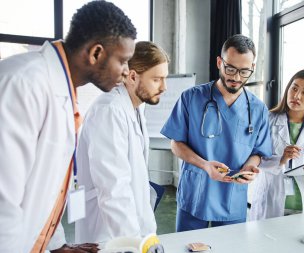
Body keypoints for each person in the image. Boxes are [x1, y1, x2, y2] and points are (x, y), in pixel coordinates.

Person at [0, 1, 137, 252]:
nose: (127, 72)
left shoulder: (63, 88)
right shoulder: (23, 84)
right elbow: (3, 201)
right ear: (96, 53)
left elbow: (47, 185)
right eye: (124, 61)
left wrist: (55, 243)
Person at [160, 34, 272, 232]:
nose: (236, 77)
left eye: (244, 71)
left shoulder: (258, 109)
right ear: (219, 62)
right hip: (196, 193)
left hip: (233, 197)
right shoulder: (191, 98)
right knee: (187, 247)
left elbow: (258, 152)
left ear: (252, 68)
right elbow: (175, 144)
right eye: (230, 68)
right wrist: (205, 165)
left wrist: (249, 167)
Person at [75, 41, 169, 243]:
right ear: (132, 76)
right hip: (106, 229)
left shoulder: (136, 107)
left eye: (165, 79)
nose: (164, 87)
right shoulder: (109, 110)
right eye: (157, 79)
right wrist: (133, 242)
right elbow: (113, 189)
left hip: (133, 224)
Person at [248, 69, 304, 221]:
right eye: (294, 88)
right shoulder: (267, 120)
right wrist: (281, 160)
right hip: (270, 200)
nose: (297, 96)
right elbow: (254, 158)